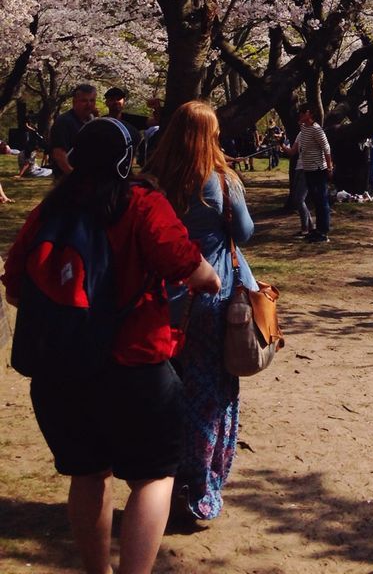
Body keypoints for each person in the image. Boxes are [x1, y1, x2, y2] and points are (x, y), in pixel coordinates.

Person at [2, 117, 220, 574]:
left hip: (60, 372)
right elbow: (188, 266)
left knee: (87, 475)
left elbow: (16, 285)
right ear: (127, 160)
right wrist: (208, 277)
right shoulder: (141, 204)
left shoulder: (51, 209)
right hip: (134, 366)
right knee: (153, 477)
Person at [145, 100, 257, 522]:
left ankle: (160, 481)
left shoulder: (152, 183)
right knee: (210, 394)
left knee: (165, 391)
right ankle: (199, 486)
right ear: (210, 135)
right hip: (210, 299)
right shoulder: (221, 182)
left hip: (160, 301)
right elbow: (244, 232)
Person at [290, 105, 334, 242]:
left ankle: (323, 232)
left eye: (302, 113)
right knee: (315, 201)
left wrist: (329, 167)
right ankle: (317, 230)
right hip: (308, 170)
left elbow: (326, 148)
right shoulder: (304, 129)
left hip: (318, 169)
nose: (299, 115)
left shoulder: (316, 129)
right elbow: (294, 151)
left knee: (321, 201)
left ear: (308, 114)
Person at [48, 83, 98, 176]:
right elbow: (59, 154)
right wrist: (73, 176)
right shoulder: (64, 121)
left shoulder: (93, 122)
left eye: (92, 100)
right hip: (67, 178)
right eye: (84, 101)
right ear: (74, 102)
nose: (89, 104)